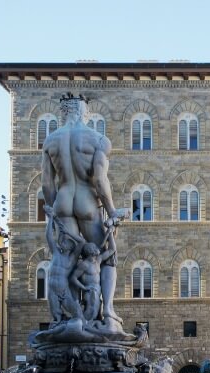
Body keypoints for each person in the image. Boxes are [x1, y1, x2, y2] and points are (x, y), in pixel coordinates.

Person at [41, 93, 124, 329]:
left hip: (63, 203)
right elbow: (99, 179)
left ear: (63, 112)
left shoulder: (51, 141)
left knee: (66, 260)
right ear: (84, 112)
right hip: (87, 203)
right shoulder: (97, 139)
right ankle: (106, 311)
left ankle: (73, 316)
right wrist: (112, 211)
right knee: (105, 257)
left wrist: (53, 211)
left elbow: (47, 183)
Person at [44, 204, 85, 324]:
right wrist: (51, 218)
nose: (63, 243)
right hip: (51, 288)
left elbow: (81, 241)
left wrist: (68, 232)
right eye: (64, 242)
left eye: (67, 243)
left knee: (76, 312)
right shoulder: (56, 252)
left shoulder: (72, 258)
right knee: (56, 316)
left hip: (63, 288)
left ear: (71, 247)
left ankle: (83, 327)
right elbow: (49, 237)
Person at [70, 226, 117, 322]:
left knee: (96, 317)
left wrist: (111, 234)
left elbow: (112, 250)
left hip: (98, 293)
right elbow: (73, 278)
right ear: (90, 251)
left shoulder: (98, 260)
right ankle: (80, 328)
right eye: (95, 247)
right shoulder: (84, 265)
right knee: (90, 317)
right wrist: (84, 288)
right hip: (90, 293)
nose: (97, 248)